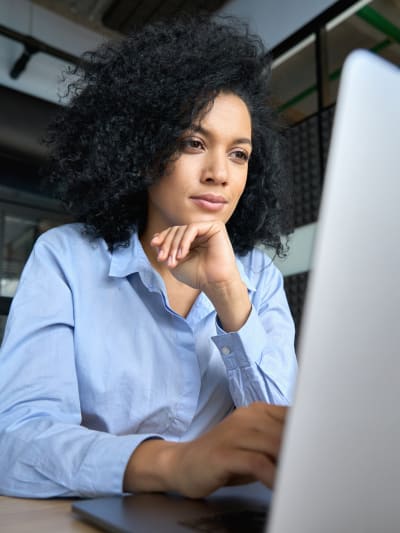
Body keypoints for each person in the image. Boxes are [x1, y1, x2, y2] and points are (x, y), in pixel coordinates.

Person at [0, 15, 297, 499]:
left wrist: (227, 294)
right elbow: (15, 441)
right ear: (141, 150)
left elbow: (285, 444)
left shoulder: (257, 277)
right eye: (193, 143)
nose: (220, 173)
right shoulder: (67, 259)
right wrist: (175, 463)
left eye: (239, 154)